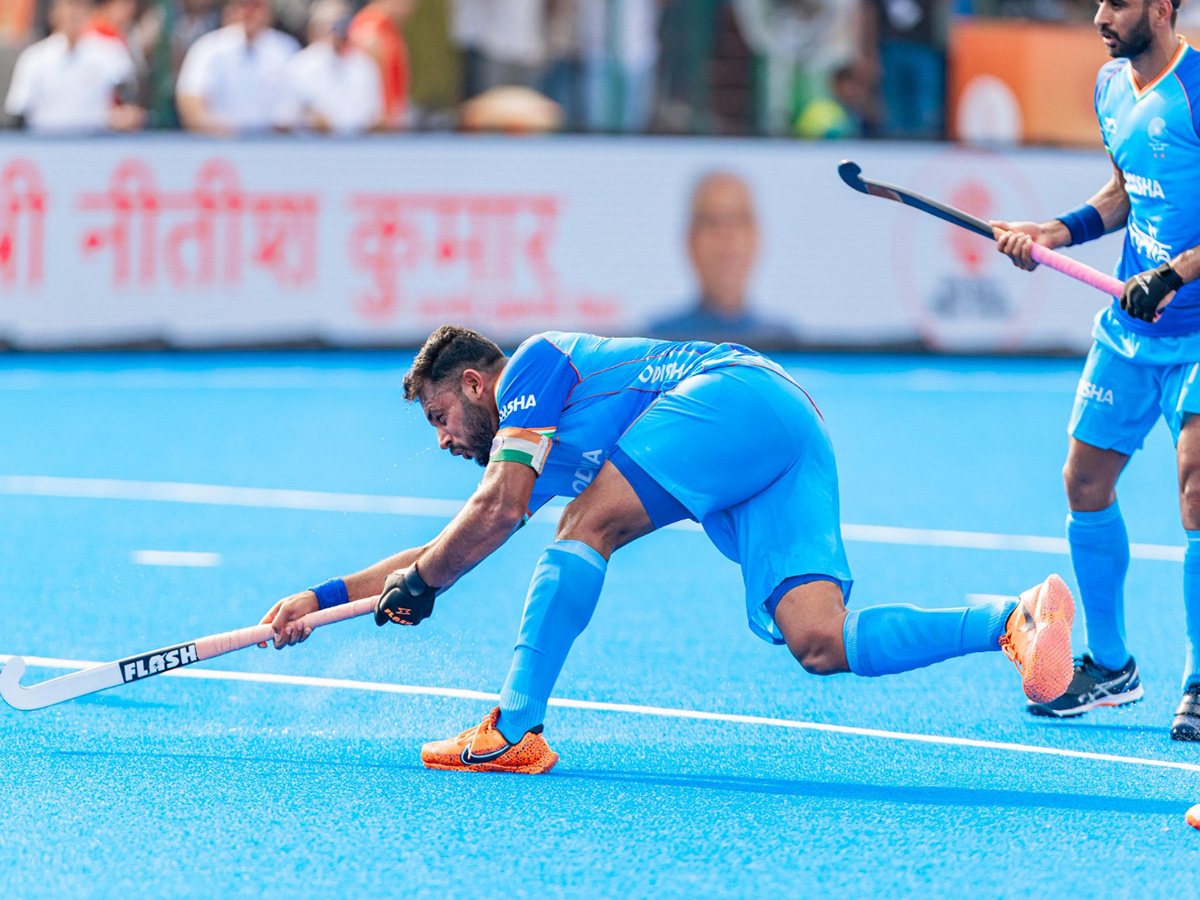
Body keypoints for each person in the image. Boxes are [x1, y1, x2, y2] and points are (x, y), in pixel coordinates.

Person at [261, 324, 1076, 773]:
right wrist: (321, 598)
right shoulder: (534, 446)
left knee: (585, 526)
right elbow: (454, 536)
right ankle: (1011, 620)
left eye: (440, 417)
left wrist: (426, 585)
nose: (443, 439)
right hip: (785, 429)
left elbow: (496, 508)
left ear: (476, 383)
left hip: (734, 396)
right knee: (819, 640)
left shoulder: (531, 369)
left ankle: (514, 728)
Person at [990, 0, 1200, 738]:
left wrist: (1173, 275)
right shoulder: (1111, 86)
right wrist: (1054, 230)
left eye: (1119, 3)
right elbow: (1124, 194)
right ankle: (1111, 667)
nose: (1102, 16)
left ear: (1165, 7)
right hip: (1129, 326)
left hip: (1196, 328)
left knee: (1196, 486)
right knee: (1084, 481)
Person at [648, 171, 798, 348]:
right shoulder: (658, 344)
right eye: (712, 222)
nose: (725, 237)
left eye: (737, 221)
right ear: (690, 240)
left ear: (756, 237)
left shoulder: (785, 343)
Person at [4, 0, 142, 133]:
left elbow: (130, 98)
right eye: (68, 5)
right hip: (44, 144)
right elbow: (18, 111)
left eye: (81, 6)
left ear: (90, 12)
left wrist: (126, 115)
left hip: (95, 144)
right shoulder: (34, 58)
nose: (73, 13)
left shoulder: (110, 52)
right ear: (55, 13)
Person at [175, 0, 298, 135]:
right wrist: (213, 127)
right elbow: (190, 99)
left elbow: (298, 103)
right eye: (244, 5)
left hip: (276, 146)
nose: (250, 13)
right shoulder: (209, 48)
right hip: (220, 145)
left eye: (256, 6)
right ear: (232, 9)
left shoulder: (286, 48)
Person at [273, 1, 383, 135]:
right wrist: (310, 118)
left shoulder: (364, 65)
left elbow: (375, 116)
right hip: (310, 147)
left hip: (356, 147)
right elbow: (284, 117)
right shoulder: (300, 65)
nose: (338, 32)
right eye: (331, 26)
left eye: (343, 24)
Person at [349, 0, 414, 130]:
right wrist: (383, 114)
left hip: (392, 115)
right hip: (380, 121)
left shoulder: (390, 26)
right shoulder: (372, 26)